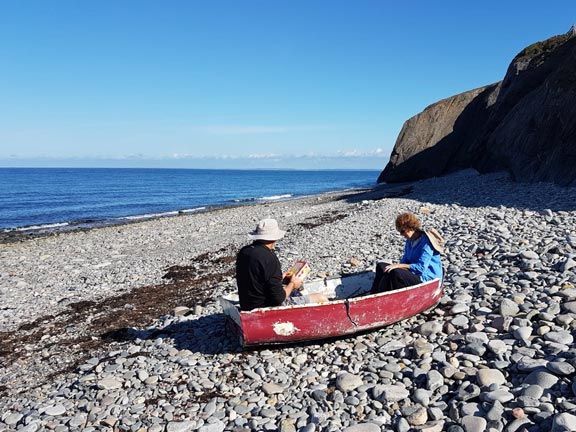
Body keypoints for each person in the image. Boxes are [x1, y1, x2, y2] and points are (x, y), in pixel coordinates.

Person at [236, 218, 328, 311]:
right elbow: (279, 299)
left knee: (293, 290)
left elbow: (256, 279)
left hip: (247, 305)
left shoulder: (244, 251)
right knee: (321, 298)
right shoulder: (269, 257)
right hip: (266, 308)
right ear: (274, 238)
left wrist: (279, 278)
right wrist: (292, 284)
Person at [370, 212, 444, 294]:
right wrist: (395, 266)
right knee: (382, 266)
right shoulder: (410, 241)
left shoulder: (426, 242)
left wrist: (399, 266)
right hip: (414, 273)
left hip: (427, 278)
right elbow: (405, 259)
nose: (401, 234)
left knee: (396, 273)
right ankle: (374, 294)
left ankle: (385, 296)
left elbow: (421, 268)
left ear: (411, 228)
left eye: (402, 231)